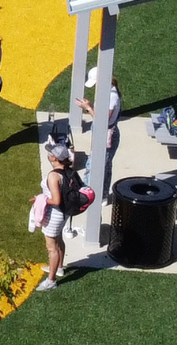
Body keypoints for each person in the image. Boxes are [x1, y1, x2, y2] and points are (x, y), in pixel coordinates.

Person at [35, 140, 79, 291]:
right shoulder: (69, 170)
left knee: (52, 248)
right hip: (64, 213)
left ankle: (51, 280)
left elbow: (55, 200)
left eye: (51, 153)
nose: (48, 153)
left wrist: (40, 199)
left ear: (55, 158)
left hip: (54, 215)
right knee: (59, 240)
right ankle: (59, 267)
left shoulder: (53, 176)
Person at [80, 71, 123, 182]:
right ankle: (101, 195)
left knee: (95, 166)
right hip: (103, 133)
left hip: (106, 135)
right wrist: (90, 106)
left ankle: (89, 194)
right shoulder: (107, 92)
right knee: (104, 166)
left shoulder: (111, 97)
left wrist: (88, 108)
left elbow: (103, 121)